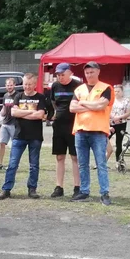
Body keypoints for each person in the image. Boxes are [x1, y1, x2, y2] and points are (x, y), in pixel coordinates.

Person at [0, 71, 51, 200]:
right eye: (26, 84)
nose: (28, 87)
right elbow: (14, 112)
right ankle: (6, 189)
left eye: (30, 84)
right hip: (19, 135)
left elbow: (40, 115)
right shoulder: (18, 96)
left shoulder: (41, 97)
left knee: (34, 164)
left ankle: (32, 189)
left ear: (34, 84)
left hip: (35, 136)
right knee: (13, 163)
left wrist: (24, 112)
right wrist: (32, 111)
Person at [70, 62, 113, 205]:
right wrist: (92, 107)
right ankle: (84, 190)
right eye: (87, 73)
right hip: (81, 130)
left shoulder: (105, 88)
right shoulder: (79, 89)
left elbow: (102, 105)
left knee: (101, 163)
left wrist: (83, 104)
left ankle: (104, 193)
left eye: (92, 72)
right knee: (82, 164)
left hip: (98, 131)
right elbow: (72, 108)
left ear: (98, 72)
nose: (89, 75)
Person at [47, 63, 84, 199]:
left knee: (75, 157)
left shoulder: (78, 85)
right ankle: (59, 187)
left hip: (74, 125)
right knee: (60, 156)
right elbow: (53, 101)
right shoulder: (55, 86)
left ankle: (77, 186)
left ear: (70, 73)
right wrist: (56, 113)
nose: (60, 77)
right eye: (58, 75)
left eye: (62, 74)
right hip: (59, 125)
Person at [0, 77, 18, 171]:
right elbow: (3, 108)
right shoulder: (5, 95)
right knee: (2, 143)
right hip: (5, 122)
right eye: (8, 85)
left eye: (11, 85)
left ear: (14, 85)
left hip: (14, 124)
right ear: (5, 86)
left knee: (14, 145)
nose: (9, 87)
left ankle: (13, 164)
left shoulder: (18, 96)